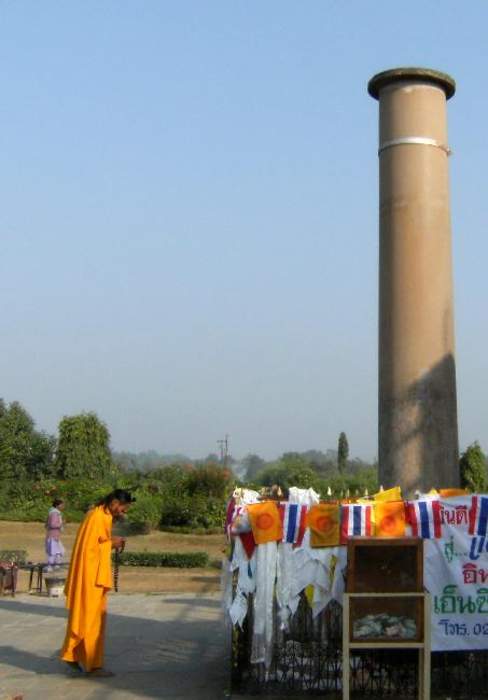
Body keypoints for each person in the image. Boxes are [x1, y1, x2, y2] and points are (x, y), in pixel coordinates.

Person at [60, 488, 135, 677]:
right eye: (123, 508)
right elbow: (89, 550)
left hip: (94, 575)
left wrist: (111, 542)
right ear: (115, 503)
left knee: (94, 618)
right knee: (90, 619)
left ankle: (76, 655)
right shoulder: (96, 517)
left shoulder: (103, 516)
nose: (123, 512)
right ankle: (91, 664)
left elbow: (96, 543)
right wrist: (112, 543)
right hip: (89, 576)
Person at [45, 498, 65, 571]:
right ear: (57, 505)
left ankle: (57, 565)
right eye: (62, 505)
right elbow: (52, 524)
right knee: (53, 551)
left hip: (55, 535)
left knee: (59, 550)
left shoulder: (54, 512)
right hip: (53, 535)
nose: (63, 506)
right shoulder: (54, 513)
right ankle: (50, 566)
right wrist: (61, 523)